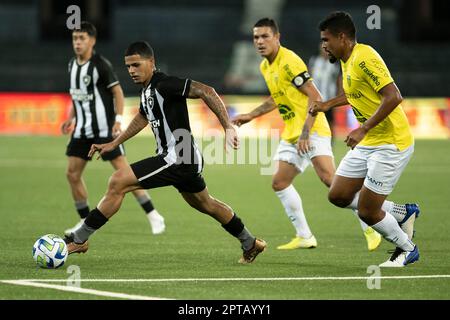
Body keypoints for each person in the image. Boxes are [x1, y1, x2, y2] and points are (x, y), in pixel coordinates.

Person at [63, 41, 267, 264]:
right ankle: (250, 242)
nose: (131, 71)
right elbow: (143, 118)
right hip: (184, 159)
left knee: (118, 181)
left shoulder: (165, 84)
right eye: (128, 66)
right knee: (206, 203)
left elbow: (206, 91)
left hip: (177, 157)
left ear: (151, 62)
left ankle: (80, 238)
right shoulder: (148, 90)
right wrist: (114, 143)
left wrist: (227, 126)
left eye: (136, 65)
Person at [232, 18, 411, 252]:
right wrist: (251, 115)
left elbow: (315, 95)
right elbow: (278, 97)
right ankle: (305, 236)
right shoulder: (266, 66)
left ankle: (374, 221)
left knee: (333, 184)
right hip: (293, 133)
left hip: (311, 129)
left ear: (277, 37)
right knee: (280, 182)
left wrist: (306, 131)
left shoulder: (290, 62)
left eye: (265, 36)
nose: (259, 41)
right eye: (256, 37)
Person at [310, 11, 420, 267]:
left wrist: (362, 129)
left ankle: (407, 249)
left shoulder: (365, 57)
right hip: (370, 140)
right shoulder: (346, 60)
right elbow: (353, 93)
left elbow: (393, 96)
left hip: (391, 143)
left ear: (342, 37)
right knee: (338, 195)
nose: (324, 45)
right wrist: (327, 104)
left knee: (368, 211)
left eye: (327, 40)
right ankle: (404, 212)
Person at [61, 22, 165, 236]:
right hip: (81, 131)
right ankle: (84, 222)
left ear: (92, 40)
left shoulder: (100, 65)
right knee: (72, 174)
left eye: (82, 38)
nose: (78, 43)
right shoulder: (72, 65)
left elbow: (117, 93)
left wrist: (117, 120)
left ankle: (153, 215)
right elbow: (76, 95)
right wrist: (70, 117)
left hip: (104, 131)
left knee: (126, 175)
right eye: (75, 39)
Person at [308, 44, 342, 141]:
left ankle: (330, 143)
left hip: (329, 99)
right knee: (312, 120)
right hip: (314, 99)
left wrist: (338, 97)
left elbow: (339, 80)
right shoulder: (314, 61)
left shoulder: (335, 63)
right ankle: (311, 141)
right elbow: (308, 77)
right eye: (323, 48)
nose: (325, 51)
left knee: (330, 122)